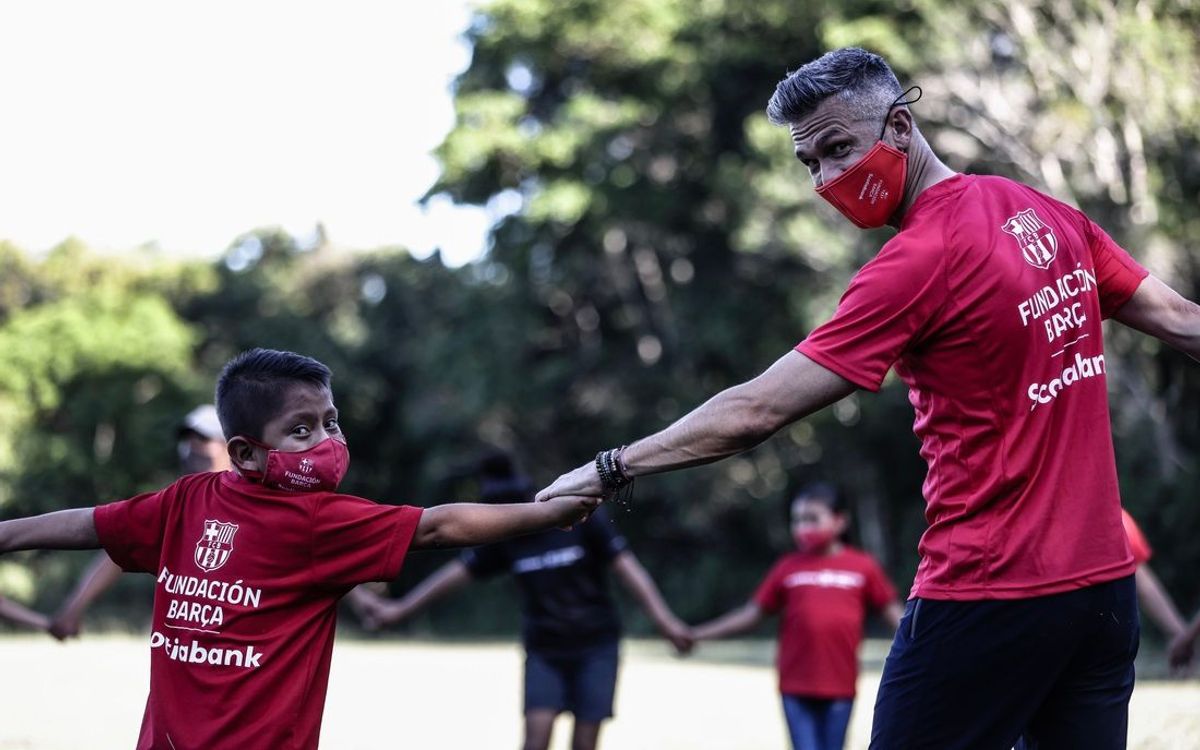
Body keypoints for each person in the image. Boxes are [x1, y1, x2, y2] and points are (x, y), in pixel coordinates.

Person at [537, 47, 1200, 749]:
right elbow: (1186, 323)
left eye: (838, 148)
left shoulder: (916, 261)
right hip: (1101, 597)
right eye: (810, 163)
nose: (827, 178)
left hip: (988, 593)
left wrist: (607, 469)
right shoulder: (1045, 213)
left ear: (902, 127)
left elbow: (757, 412)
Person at [0, 347, 597, 750]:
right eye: (302, 430)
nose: (327, 441)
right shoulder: (194, 504)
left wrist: (543, 513)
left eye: (331, 423)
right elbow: (90, 526)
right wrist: (548, 513)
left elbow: (440, 525)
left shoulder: (308, 518)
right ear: (245, 453)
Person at [352, 450, 690, 750]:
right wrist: (400, 610)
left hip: (596, 644)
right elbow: (454, 576)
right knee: (535, 739)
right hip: (545, 648)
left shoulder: (576, 516)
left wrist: (665, 622)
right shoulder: (508, 534)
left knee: (586, 743)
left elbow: (628, 569)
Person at [689, 484, 901, 750]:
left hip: (840, 686)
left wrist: (925, 647)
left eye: (812, 519)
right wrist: (697, 635)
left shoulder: (863, 567)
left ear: (840, 521)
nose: (803, 528)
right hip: (795, 687)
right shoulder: (787, 568)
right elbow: (751, 615)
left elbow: (895, 615)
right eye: (797, 520)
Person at [49, 404, 232, 640]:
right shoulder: (178, 504)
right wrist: (74, 606)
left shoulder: (258, 502)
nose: (192, 447)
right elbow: (117, 543)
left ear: (232, 447)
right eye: (188, 439)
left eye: (204, 439)